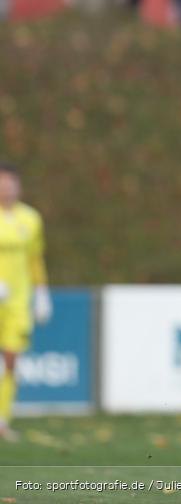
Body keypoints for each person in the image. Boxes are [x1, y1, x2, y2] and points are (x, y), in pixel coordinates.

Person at [0, 163, 53, 442]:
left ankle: (2, 420)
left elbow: (35, 258)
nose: (6, 188)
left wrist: (42, 293)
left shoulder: (31, 219)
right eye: (2, 183)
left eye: (10, 183)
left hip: (18, 302)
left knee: (11, 359)